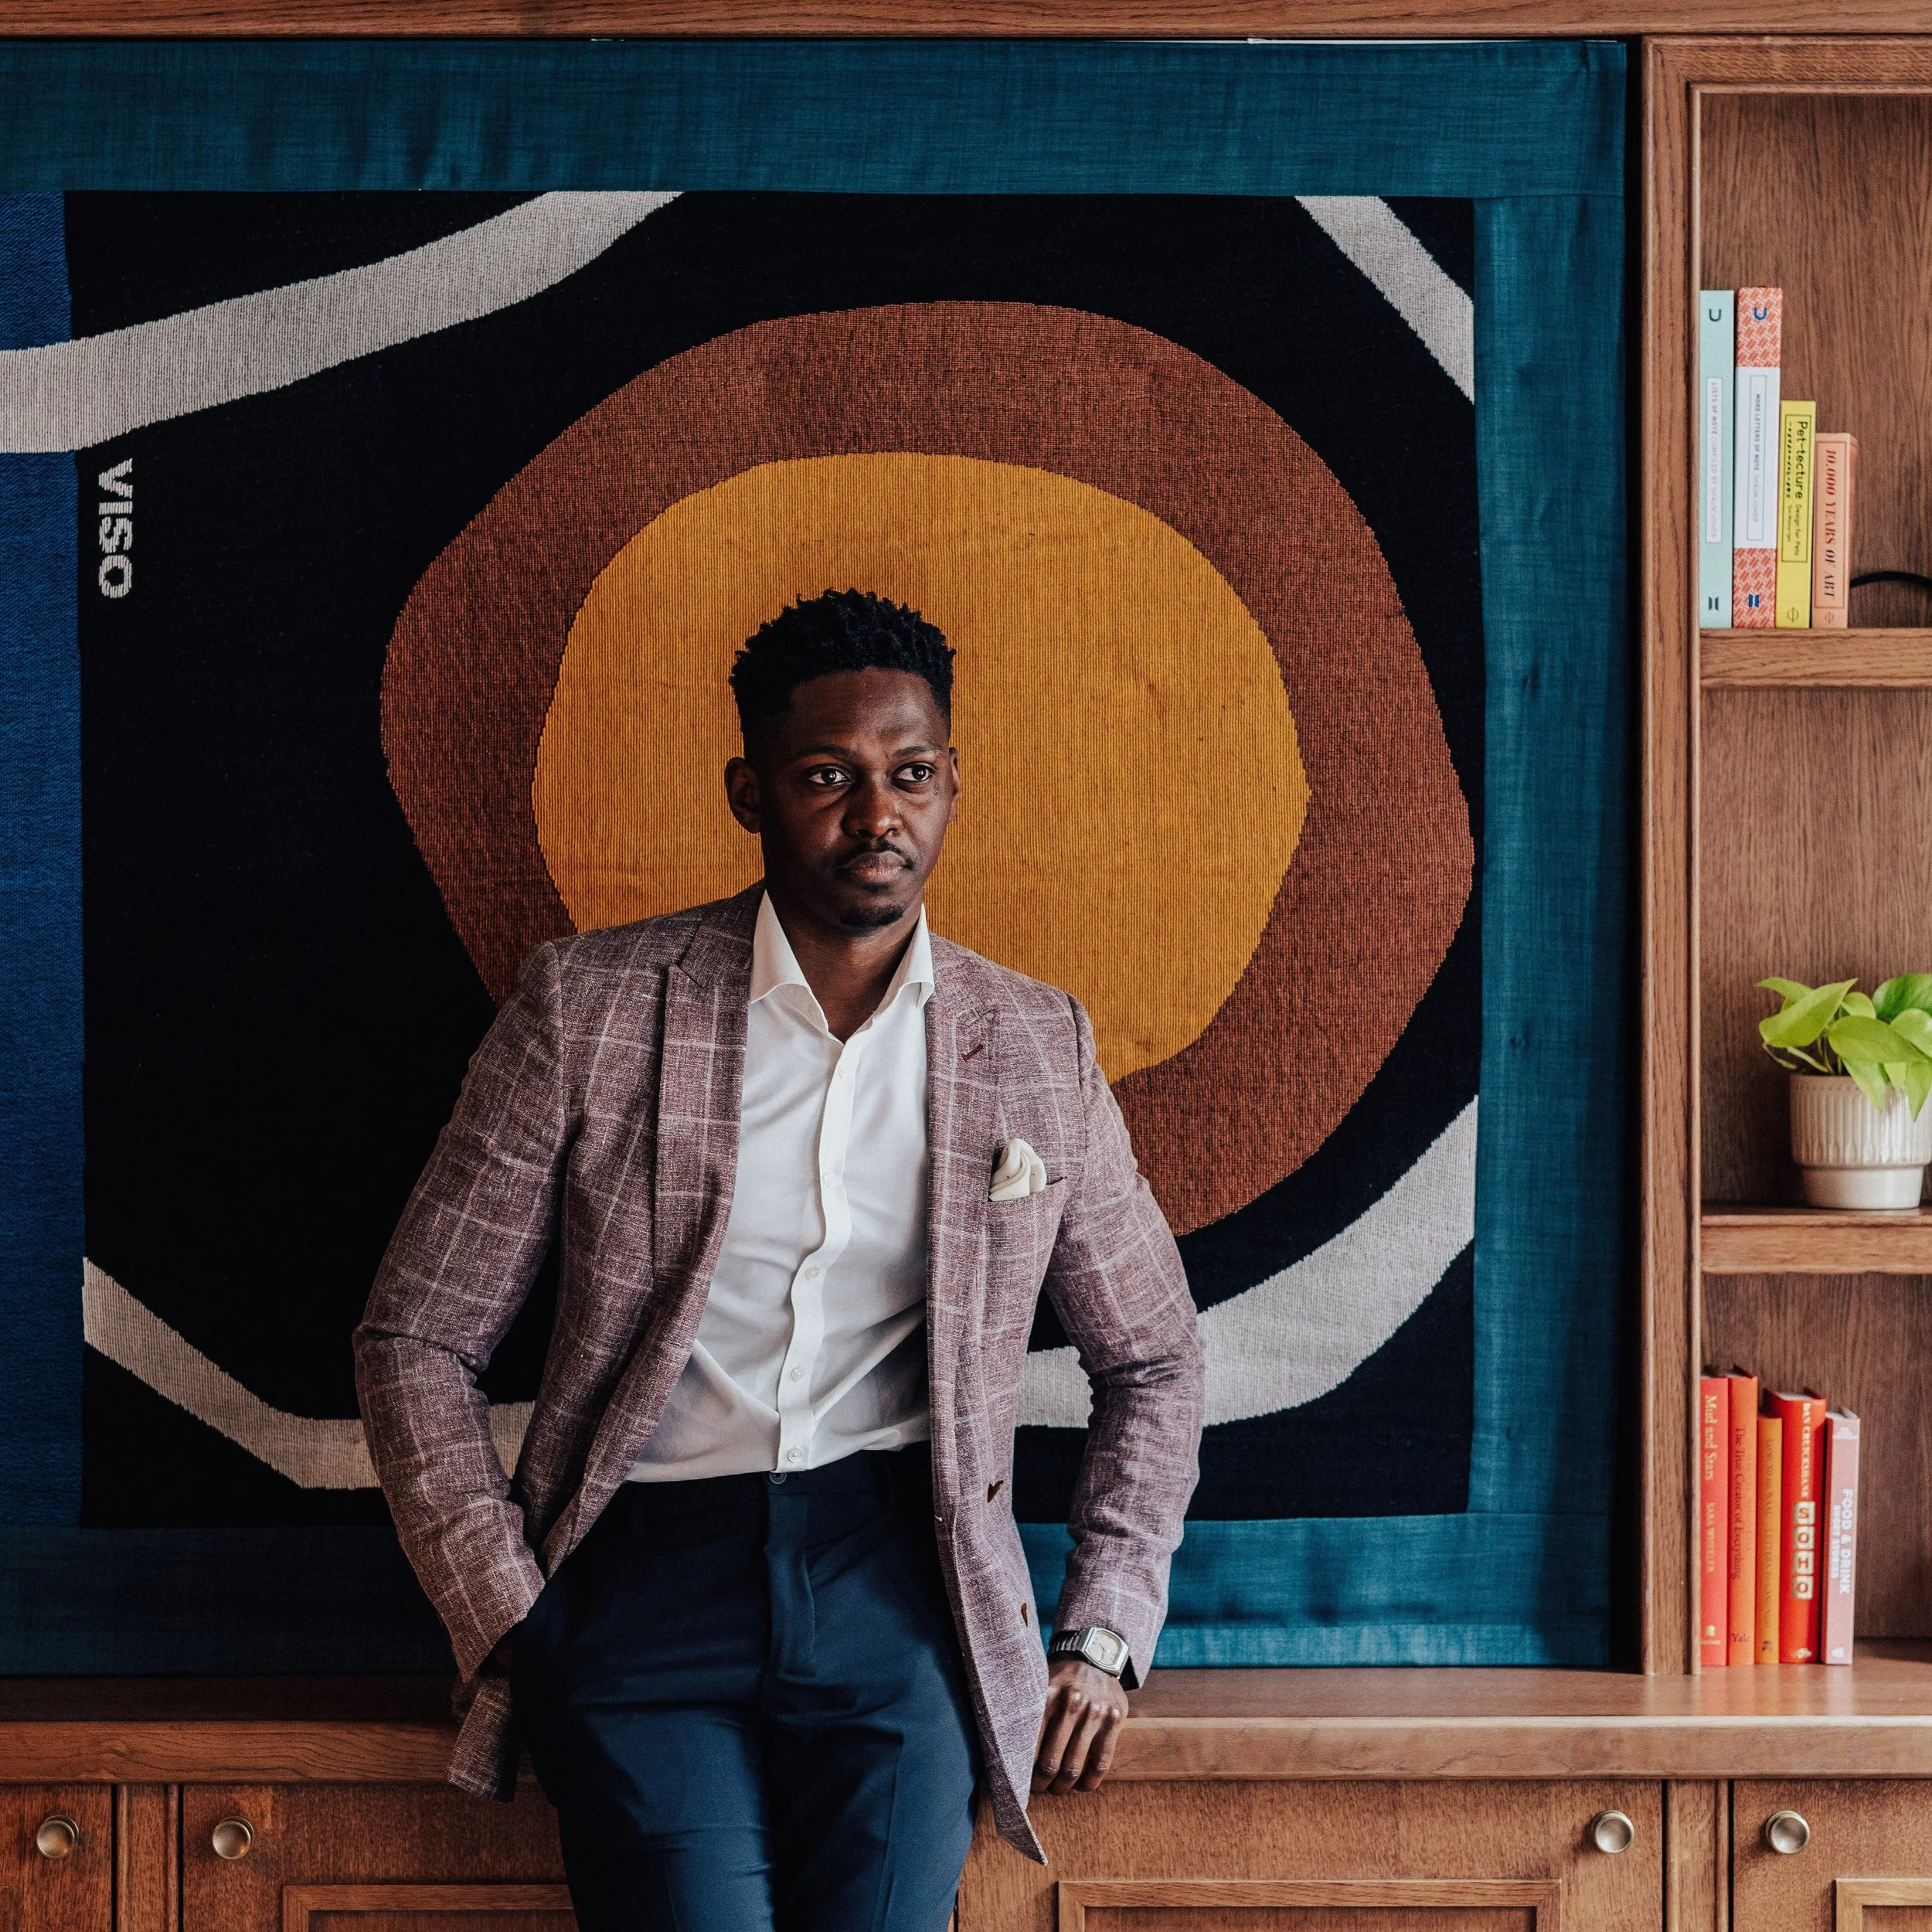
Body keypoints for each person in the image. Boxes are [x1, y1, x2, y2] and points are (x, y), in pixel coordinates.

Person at [354, 588, 1204, 1932]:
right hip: (643, 1591)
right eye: (829, 778)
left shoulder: (1035, 1044)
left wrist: (1105, 1626)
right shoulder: (589, 1009)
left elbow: (1153, 1355)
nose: (880, 817)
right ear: (750, 791)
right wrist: (512, 1614)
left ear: (952, 782)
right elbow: (415, 1339)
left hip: (902, 1590)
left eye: (911, 775)